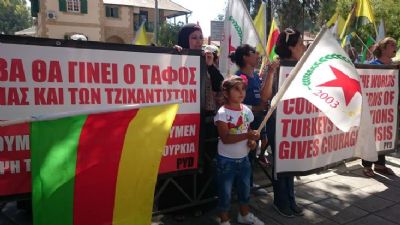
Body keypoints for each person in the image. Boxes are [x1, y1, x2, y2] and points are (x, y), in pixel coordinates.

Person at [214, 76, 264, 225]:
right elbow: (226, 138)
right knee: (225, 193)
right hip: (225, 161)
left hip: (244, 160)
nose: (241, 92)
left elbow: (247, 132)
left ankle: (244, 215)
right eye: (236, 89)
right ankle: (224, 220)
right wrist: (247, 135)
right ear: (226, 93)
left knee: (245, 190)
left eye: (243, 89)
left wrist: (252, 141)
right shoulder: (222, 113)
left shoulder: (247, 111)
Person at [268, 28, 306, 217]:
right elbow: (267, 96)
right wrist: (270, 72)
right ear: (291, 47)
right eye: (300, 44)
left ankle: (291, 199)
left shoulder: (303, 66)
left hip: (294, 122)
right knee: (280, 163)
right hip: (277, 122)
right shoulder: (278, 67)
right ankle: (280, 201)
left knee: (291, 162)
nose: (304, 47)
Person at [229, 44, 277, 194]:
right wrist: (254, 108)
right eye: (253, 52)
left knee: (251, 154)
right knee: (245, 156)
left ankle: (248, 185)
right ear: (245, 57)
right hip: (244, 124)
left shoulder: (255, 75)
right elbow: (234, 103)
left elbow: (263, 95)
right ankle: (242, 188)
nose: (258, 54)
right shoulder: (238, 77)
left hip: (257, 121)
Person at [362, 37, 398, 177]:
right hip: (373, 108)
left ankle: (380, 164)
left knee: (383, 135)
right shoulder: (373, 65)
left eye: (395, 45)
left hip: (388, 108)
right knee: (371, 136)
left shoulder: (395, 66)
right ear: (383, 48)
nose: (395, 47)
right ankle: (367, 165)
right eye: (392, 45)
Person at [177, 23, 224, 112]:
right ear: (184, 39)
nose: (199, 41)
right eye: (194, 38)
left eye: (201, 37)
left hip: (206, 117)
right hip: (182, 115)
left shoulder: (205, 58)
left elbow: (220, 86)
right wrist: (173, 55)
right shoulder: (177, 56)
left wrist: (210, 66)